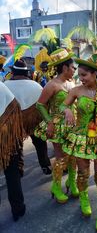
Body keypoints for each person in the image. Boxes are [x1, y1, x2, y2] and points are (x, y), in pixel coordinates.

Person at [62, 57, 97, 232]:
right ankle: (84, 199)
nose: (82, 78)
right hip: (81, 137)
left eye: (85, 75)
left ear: (96, 74)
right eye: (79, 75)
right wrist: (67, 111)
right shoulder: (76, 91)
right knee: (83, 173)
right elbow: (61, 106)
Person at [35, 48, 78, 203]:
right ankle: (56, 187)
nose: (74, 70)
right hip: (58, 126)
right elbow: (39, 105)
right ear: (65, 68)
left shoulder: (72, 83)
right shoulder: (52, 85)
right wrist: (49, 122)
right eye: (73, 67)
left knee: (73, 156)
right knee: (60, 158)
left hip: (73, 125)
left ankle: (72, 182)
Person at [4, 59, 52, 175]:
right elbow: (44, 105)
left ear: (13, 73)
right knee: (40, 142)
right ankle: (45, 165)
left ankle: (18, 169)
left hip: (14, 122)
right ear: (26, 73)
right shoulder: (36, 86)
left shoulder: (5, 85)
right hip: (33, 121)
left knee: (15, 145)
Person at [0, 82, 25, 221]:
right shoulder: (2, 87)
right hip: (8, 138)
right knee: (12, 174)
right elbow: (16, 111)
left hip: (7, 138)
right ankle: (18, 208)